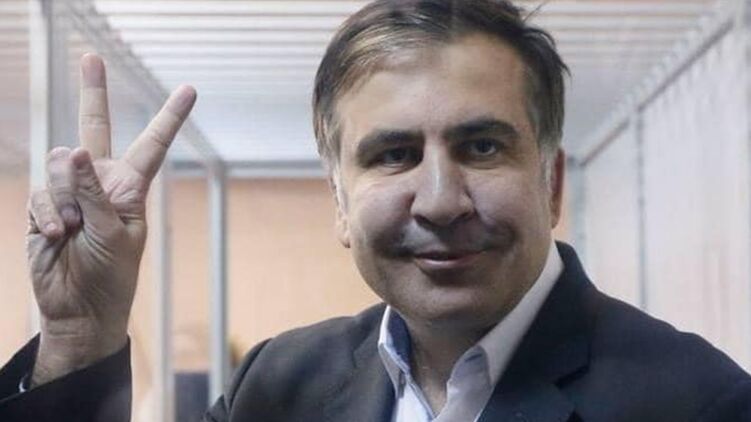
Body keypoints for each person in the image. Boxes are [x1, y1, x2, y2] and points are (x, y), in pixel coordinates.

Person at [1, 0, 750, 421]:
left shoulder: (700, 402)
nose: (441, 201)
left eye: (482, 146)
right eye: (393, 154)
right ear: (339, 200)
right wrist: (80, 336)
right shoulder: (278, 384)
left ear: (550, 183)